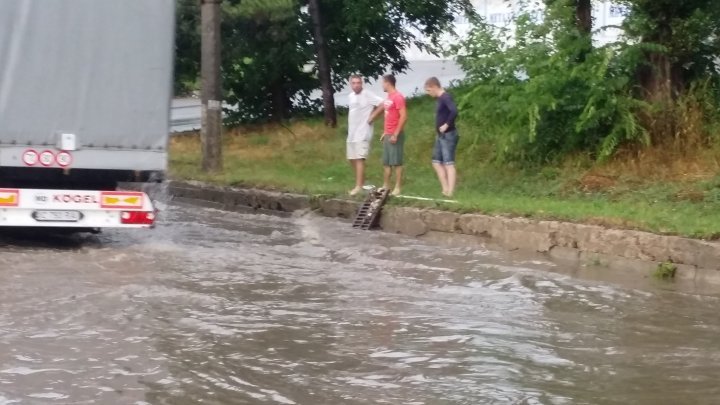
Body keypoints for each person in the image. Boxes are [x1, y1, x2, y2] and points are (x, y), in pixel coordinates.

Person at [368, 74, 407, 196]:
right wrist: (385, 132)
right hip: (388, 133)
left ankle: (398, 188)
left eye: (382, 83)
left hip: (396, 134)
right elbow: (389, 115)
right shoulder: (389, 96)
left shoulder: (398, 97)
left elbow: (404, 116)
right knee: (386, 162)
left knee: (396, 162)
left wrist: (395, 133)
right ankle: (386, 186)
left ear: (388, 83)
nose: (381, 85)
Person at [347, 75, 383, 196]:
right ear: (350, 84)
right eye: (354, 83)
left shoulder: (367, 94)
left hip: (363, 132)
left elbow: (383, 104)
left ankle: (358, 187)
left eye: (359, 83)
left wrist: (373, 116)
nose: (356, 85)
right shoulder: (351, 96)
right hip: (352, 132)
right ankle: (362, 183)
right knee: (351, 158)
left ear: (362, 83)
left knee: (359, 158)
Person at [425, 77, 459, 197]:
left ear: (434, 86)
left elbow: (454, 111)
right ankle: (445, 189)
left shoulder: (445, 97)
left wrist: (446, 124)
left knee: (448, 163)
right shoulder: (440, 99)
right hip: (440, 135)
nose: (428, 93)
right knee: (436, 162)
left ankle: (450, 192)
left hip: (448, 134)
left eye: (429, 90)